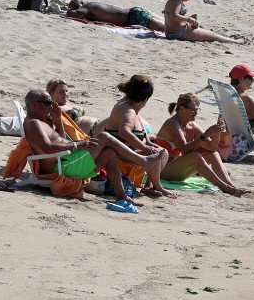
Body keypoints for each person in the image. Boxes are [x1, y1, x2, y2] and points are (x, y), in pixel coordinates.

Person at [22, 88, 165, 211]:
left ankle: (121, 195)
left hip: (65, 161)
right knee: (104, 136)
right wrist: (78, 145)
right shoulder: (34, 123)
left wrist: (58, 121)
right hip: (59, 167)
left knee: (109, 153)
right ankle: (142, 161)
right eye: (48, 103)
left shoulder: (40, 122)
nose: (52, 106)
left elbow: (61, 140)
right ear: (34, 105)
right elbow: (48, 148)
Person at [155, 93, 253, 196]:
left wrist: (217, 132)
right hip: (163, 170)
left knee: (213, 154)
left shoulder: (192, 126)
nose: (196, 113)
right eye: (193, 110)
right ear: (182, 109)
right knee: (194, 156)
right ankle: (225, 187)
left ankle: (232, 186)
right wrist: (205, 136)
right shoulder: (172, 124)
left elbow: (212, 148)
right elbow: (184, 150)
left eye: (197, 110)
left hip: (178, 170)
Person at [98, 74, 175, 198]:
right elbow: (124, 132)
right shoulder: (128, 111)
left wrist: (147, 142)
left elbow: (138, 121)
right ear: (145, 99)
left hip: (124, 150)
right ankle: (156, 186)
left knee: (161, 152)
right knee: (157, 153)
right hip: (119, 154)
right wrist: (144, 148)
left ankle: (150, 186)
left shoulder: (128, 104)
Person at [163, 0, 246, 44]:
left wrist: (189, 19)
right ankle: (237, 42)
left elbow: (173, 18)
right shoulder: (178, 1)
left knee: (203, 30)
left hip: (169, 33)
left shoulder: (172, 0)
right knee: (213, 36)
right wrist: (189, 19)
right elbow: (173, 16)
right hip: (179, 33)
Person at [65, 0, 165, 32]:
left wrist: (68, 10)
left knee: (168, 29)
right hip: (134, 14)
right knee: (168, 27)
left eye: (72, 6)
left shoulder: (88, 6)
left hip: (134, 16)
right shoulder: (91, 6)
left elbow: (76, 15)